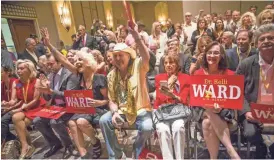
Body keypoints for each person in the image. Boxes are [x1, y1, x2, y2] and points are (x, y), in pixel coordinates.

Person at [41, 27, 109, 159]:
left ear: (89, 63)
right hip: (84, 109)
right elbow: (64, 60)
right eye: (76, 60)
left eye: (80, 60)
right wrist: (49, 44)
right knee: (72, 123)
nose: (76, 63)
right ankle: (83, 154)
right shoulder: (79, 75)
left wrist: (98, 102)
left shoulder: (100, 78)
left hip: (98, 108)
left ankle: (95, 143)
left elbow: (107, 101)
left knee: (81, 122)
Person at [99, 23, 153, 159]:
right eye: (115, 56)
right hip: (122, 112)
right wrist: (114, 112)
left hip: (141, 110)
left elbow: (146, 57)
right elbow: (111, 100)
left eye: (121, 55)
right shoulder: (111, 75)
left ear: (128, 56)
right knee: (103, 120)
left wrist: (136, 35)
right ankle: (116, 155)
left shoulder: (138, 66)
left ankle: (137, 148)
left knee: (147, 127)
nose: (117, 59)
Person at [194, 42, 240, 159]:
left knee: (208, 122)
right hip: (201, 111)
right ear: (205, 55)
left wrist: (221, 106)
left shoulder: (230, 74)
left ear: (221, 56)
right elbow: (196, 98)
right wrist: (207, 106)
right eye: (209, 53)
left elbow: (234, 99)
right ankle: (232, 152)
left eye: (216, 53)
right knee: (208, 111)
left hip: (225, 114)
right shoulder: (198, 74)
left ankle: (213, 158)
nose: (212, 56)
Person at [236, 24, 274, 159]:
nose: (266, 41)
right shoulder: (246, 64)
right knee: (250, 133)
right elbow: (237, 92)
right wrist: (246, 111)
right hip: (253, 112)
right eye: (262, 39)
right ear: (257, 44)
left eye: (270, 38)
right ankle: (262, 147)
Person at [33, 55, 79, 158]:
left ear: (60, 63)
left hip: (69, 107)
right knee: (37, 121)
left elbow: (69, 95)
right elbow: (48, 97)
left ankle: (69, 145)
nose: (49, 66)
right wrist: (45, 89)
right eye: (47, 64)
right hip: (56, 107)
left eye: (51, 64)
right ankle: (55, 143)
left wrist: (51, 91)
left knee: (55, 121)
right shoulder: (50, 75)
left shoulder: (69, 75)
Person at [154, 53, 190, 159]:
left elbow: (183, 99)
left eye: (171, 62)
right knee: (162, 129)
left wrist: (173, 95)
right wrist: (169, 84)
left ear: (177, 64)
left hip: (179, 111)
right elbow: (161, 98)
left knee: (178, 127)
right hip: (163, 112)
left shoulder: (186, 78)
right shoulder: (159, 78)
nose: (168, 65)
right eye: (166, 63)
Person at [11, 59, 46, 159]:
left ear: (29, 69)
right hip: (24, 108)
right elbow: (14, 99)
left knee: (18, 122)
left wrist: (21, 108)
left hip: (36, 107)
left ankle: (27, 146)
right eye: (18, 69)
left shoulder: (36, 81)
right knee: (16, 118)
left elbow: (36, 99)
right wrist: (9, 103)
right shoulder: (16, 82)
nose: (19, 71)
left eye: (22, 68)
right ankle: (26, 145)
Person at [1, 66, 17, 144]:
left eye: (1, 72)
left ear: (7, 73)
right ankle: (11, 138)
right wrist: (3, 103)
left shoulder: (15, 82)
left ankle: (3, 142)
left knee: (3, 120)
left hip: (16, 107)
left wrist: (7, 104)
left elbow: (15, 100)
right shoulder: (2, 84)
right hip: (6, 109)